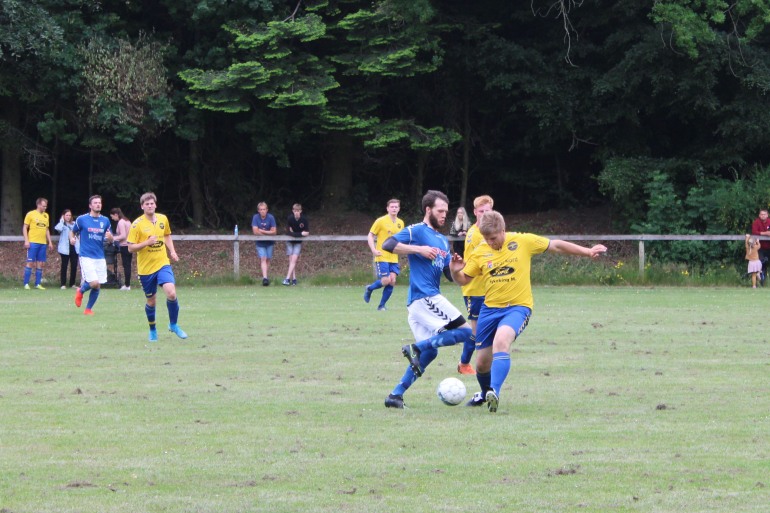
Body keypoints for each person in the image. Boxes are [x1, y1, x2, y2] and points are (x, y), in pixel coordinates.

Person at [449, 210, 607, 412]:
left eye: (493, 238)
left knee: (501, 341)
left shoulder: (522, 241)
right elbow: (463, 280)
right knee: (481, 364)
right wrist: (455, 271)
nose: (490, 242)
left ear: (503, 230)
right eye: (486, 239)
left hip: (517, 307)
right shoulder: (481, 251)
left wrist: (588, 251)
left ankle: (494, 391)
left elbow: (556, 245)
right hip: (489, 309)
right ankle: (485, 393)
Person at [382, 190, 474, 409]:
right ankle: (416, 347)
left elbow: (450, 276)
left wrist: (456, 268)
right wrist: (418, 249)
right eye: (440, 211)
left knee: (430, 352)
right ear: (428, 209)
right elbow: (387, 244)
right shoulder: (417, 231)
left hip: (421, 302)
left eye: (446, 211)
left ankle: (395, 396)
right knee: (466, 332)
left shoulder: (442, 240)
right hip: (425, 297)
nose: (444, 215)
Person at [127, 192, 188, 342]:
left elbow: (167, 235)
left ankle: (173, 324)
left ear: (155, 204)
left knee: (171, 293)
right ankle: (153, 330)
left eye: (152, 203)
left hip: (162, 264)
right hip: (146, 269)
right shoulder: (136, 224)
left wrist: (172, 251)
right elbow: (130, 248)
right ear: (142, 206)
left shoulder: (163, 219)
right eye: (147, 204)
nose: (150, 206)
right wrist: (146, 243)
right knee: (151, 301)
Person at [456, 195, 495, 378]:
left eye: (488, 211)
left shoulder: (483, 231)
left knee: (488, 329)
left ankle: (485, 362)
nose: (485, 214)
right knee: (477, 330)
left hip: (488, 288)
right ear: (475, 212)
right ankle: (464, 363)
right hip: (474, 288)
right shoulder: (477, 234)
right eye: (481, 211)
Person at [70, 195, 114, 315]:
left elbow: (111, 240)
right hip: (86, 256)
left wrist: (110, 238)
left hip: (100, 256)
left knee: (97, 285)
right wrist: (72, 239)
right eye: (95, 203)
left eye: (99, 203)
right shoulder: (82, 219)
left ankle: (88, 309)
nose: (98, 204)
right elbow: (72, 232)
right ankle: (81, 290)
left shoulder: (105, 220)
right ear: (90, 205)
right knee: (94, 282)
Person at [363, 199, 404, 310]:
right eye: (392, 207)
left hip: (394, 257)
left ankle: (381, 306)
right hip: (382, 256)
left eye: (396, 207)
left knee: (392, 281)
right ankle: (369, 288)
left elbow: (400, 240)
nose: (394, 208)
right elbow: (370, 235)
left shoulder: (400, 223)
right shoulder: (380, 221)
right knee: (386, 280)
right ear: (387, 208)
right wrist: (373, 250)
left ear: (399, 209)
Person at [22, 197, 54, 290]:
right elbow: (25, 227)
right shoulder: (30, 214)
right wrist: (26, 240)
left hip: (43, 243)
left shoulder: (46, 215)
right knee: (30, 263)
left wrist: (50, 242)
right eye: (43, 206)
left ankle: (38, 284)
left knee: (40, 263)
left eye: (46, 206)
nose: (45, 208)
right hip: (33, 242)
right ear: (38, 205)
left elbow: (47, 229)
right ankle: (26, 283)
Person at [283, 203, 309, 285]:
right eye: (295, 211)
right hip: (289, 241)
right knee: (291, 260)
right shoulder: (290, 218)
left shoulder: (304, 219)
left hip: (298, 242)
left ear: (300, 211)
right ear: (293, 211)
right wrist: (299, 234)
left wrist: (295, 234)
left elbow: (306, 233)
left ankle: (287, 279)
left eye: (298, 211)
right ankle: (294, 279)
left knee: (294, 260)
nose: (296, 212)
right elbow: (288, 231)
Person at [252, 202, 277, 286]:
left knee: (268, 259)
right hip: (260, 243)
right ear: (258, 210)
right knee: (263, 258)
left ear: (267, 210)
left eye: (264, 209)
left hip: (270, 242)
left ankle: (266, 276)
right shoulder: (255, 217)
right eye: (261, 209)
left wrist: (262, 231)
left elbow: (274, 232)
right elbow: (255, 231)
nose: (262, 211)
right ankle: (265, 279)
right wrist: (268, 233)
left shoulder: (271, 217)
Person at [110, 207, 133, 291]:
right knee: (128, 265)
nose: (112, 218)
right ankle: (127, 284)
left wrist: (113, 238)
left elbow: (123, 235)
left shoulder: (121, 222)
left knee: (126, 265)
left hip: (124, 246)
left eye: (112, 216)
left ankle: (127, 285)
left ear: (116, 215)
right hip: (130, 245)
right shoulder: (127, 221)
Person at [54, 209, 79, 289]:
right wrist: (61, 221)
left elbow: (78, 232)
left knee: (74, 265)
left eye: (69, 215)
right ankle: (63, 284)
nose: (68, 217)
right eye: (66, 215)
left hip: (74, 247)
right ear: (63, 216)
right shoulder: (62, 224)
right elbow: (58, 229)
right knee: (64, 265)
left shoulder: (74, 224)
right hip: (65, 248)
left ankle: (72, 283)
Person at [751, 209, 770, 281]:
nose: (763, 216)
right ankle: (761, 281)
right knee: (761, 263)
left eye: (764, 214)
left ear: (767, 215)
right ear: (759, 215)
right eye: (761, 214)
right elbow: (754, 232)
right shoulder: (756, 222)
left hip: (769, 247)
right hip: (760, 247)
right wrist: (765, 233)